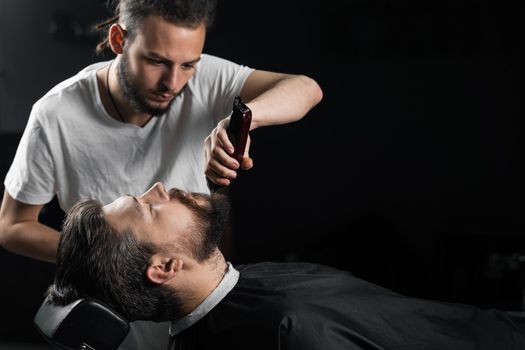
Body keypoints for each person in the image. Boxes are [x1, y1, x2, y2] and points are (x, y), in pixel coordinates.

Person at [0, 1, 322, 348]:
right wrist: (107, 255)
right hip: (114, 318)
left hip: (198, 309)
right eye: (156, 61)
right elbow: (12, 225)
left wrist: (243, 117)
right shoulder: (55, 115)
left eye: (188, 65)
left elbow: (307, 88)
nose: (173, 82)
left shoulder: (205, 76)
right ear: (118, 40)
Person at [49, 182, 525, 350]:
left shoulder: (238, 291)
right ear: (168, 266)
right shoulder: (287, 330)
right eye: (148, 207)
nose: (159, 187)